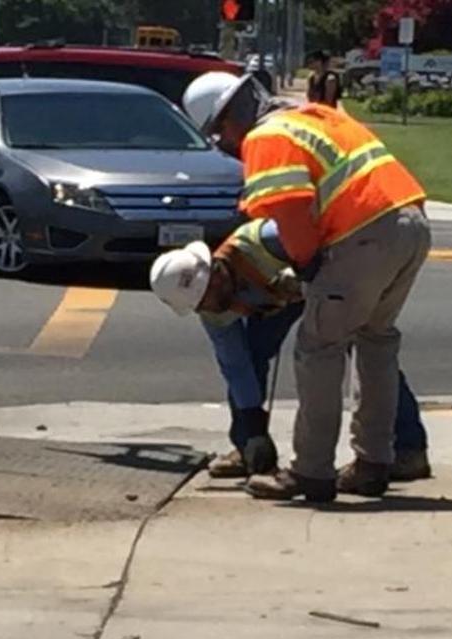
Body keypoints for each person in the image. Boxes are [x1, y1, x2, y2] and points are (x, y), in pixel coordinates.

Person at [181, 72, 432, 502]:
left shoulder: (267, 137)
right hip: (410, 223)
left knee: (319, 349)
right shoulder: (314, 117)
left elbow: (291, 209)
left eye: (218, 132)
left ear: (228, 119)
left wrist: (309, 264)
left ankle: (311, 472)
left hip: (363, 235)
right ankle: (374, 463)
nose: (224, 144)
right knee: (375, 341)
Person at [149, 218, 432, 481]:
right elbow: (235, 366)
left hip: (324, 282)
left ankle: (408, 448)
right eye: (202, 306)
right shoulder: (214, 313)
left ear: (216, 274)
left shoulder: (266, 240)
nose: (211, 309)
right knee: (251, 355)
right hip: (278, 302)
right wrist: (254, 430)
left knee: (363, 348)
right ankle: (249, 447)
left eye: (209, 298)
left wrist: (304, 272)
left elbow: (331, 238)